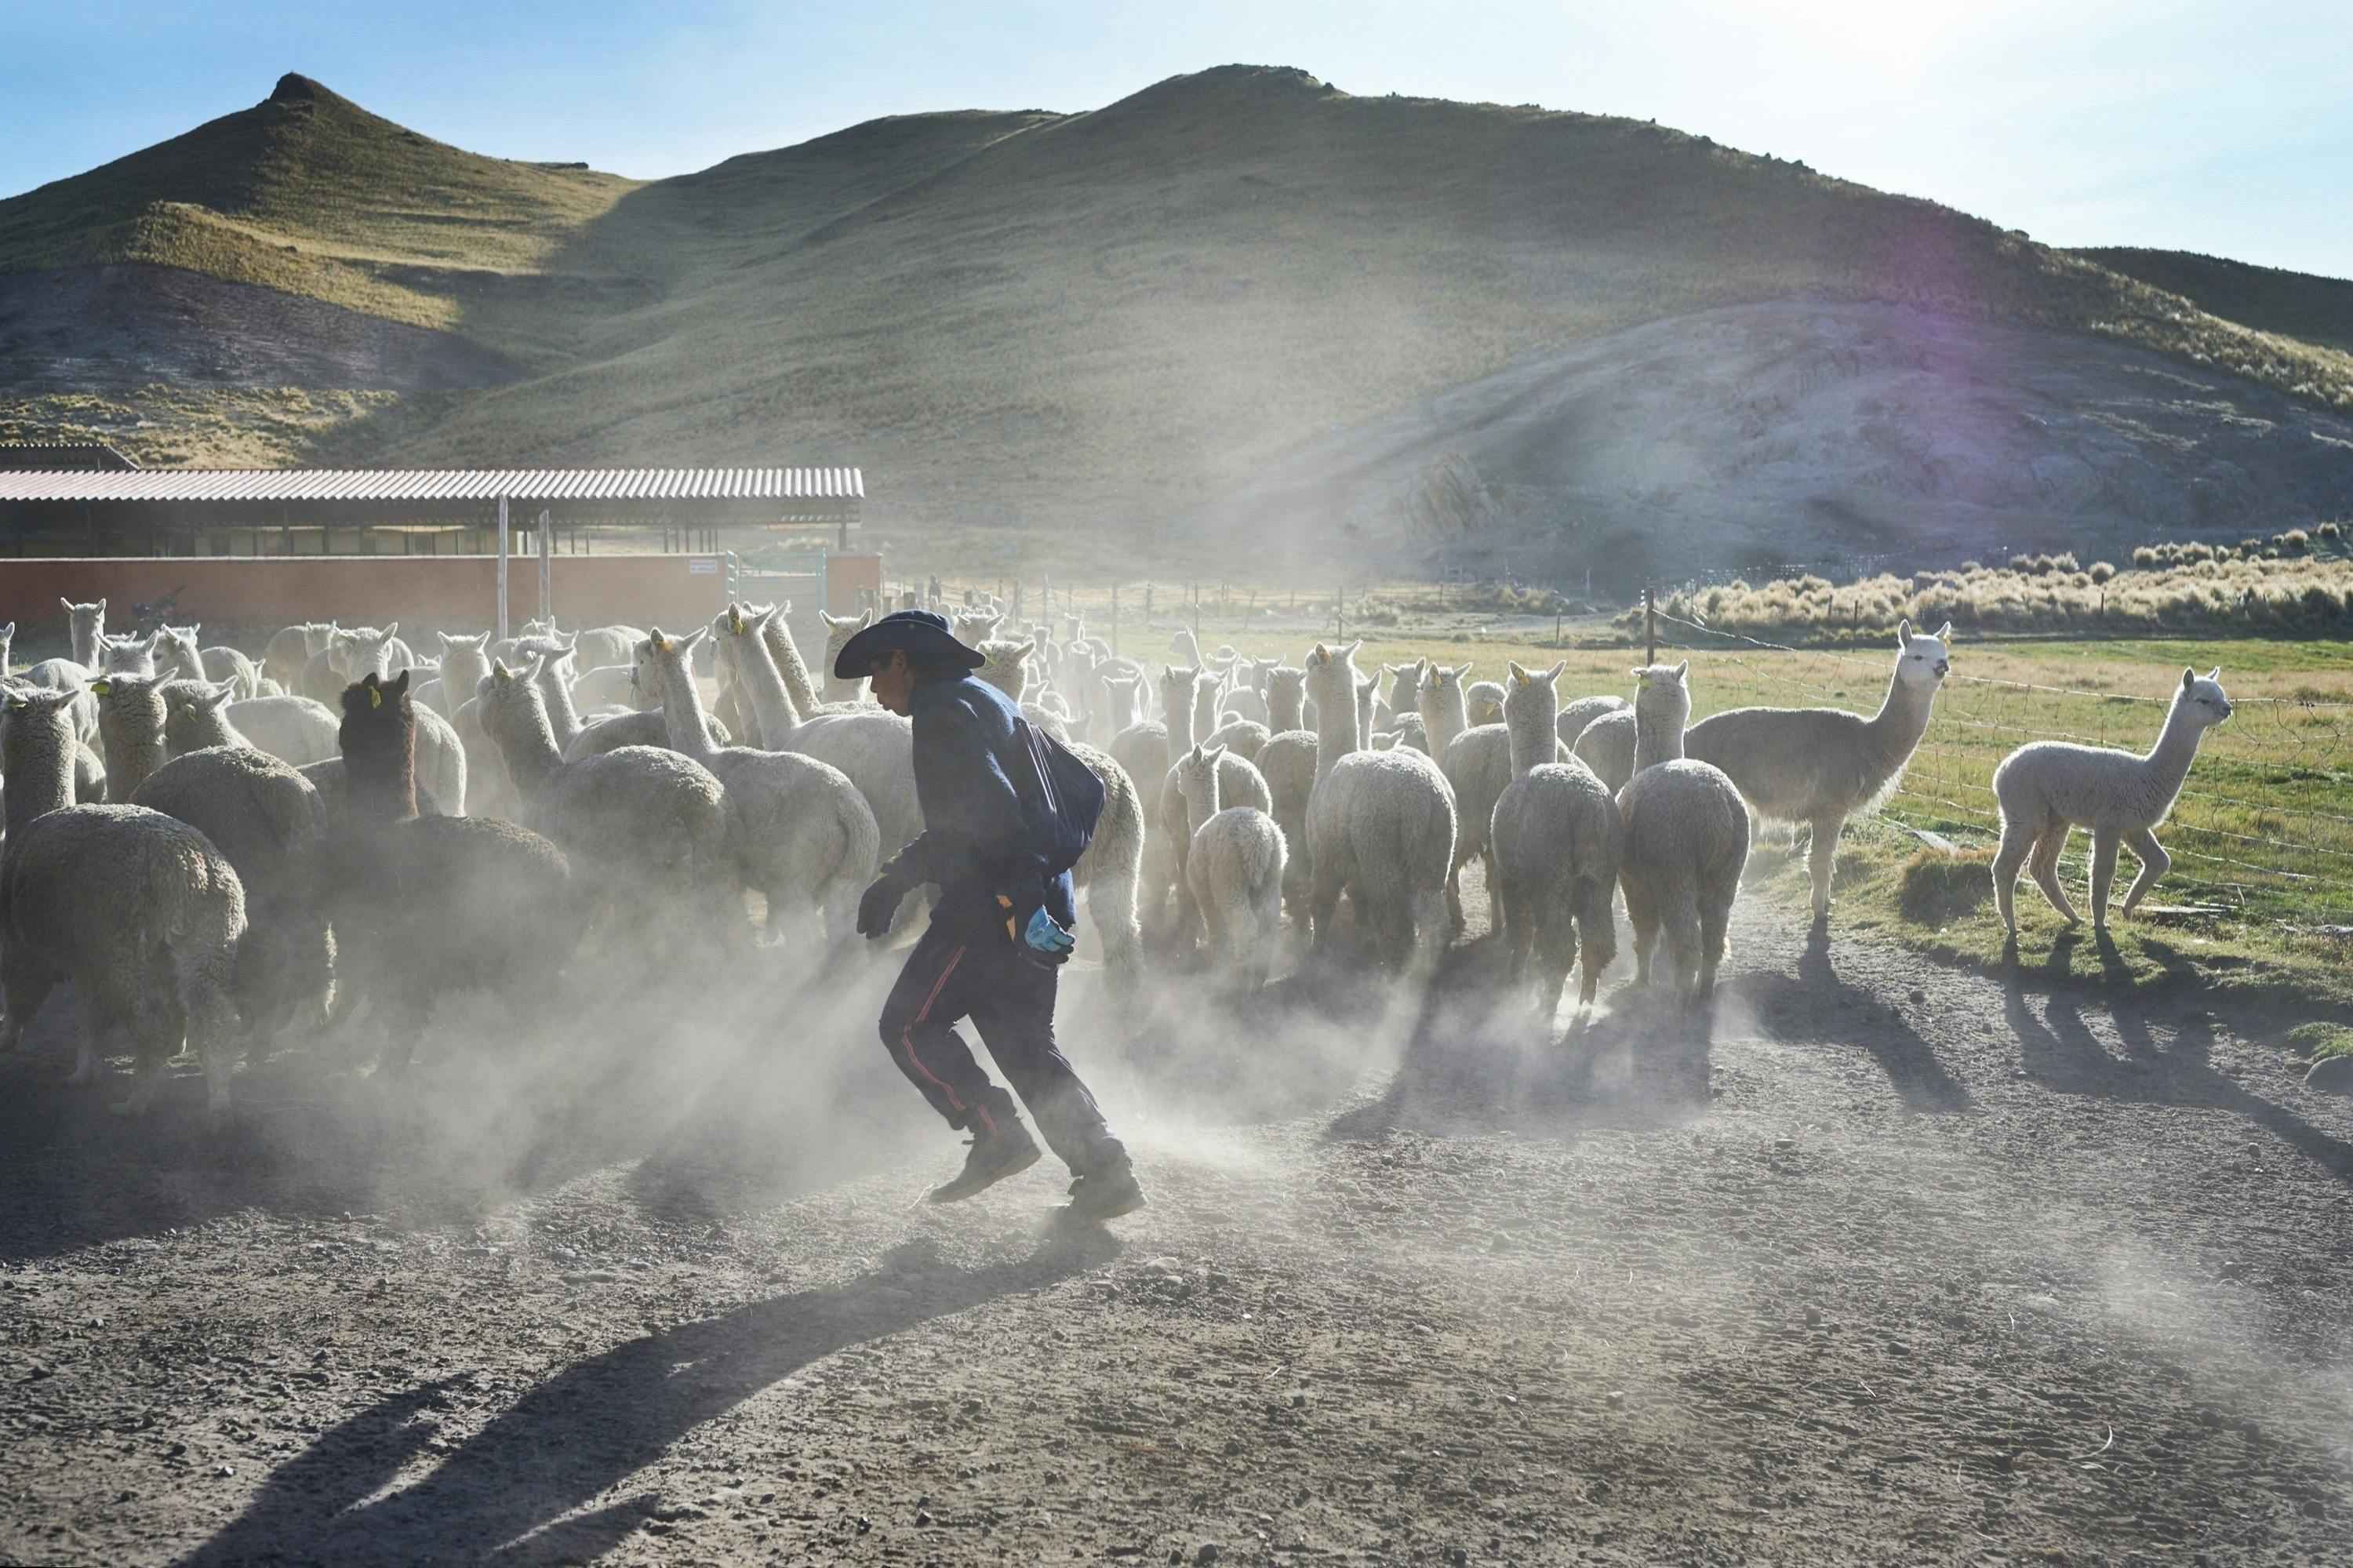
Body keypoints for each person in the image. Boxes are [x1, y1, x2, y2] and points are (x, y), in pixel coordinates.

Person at [838, 609, 1146, 1222]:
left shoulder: (942, 713)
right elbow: (969, 815)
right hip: (1034, 896)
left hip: (993, 906)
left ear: (903, 660)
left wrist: (1015, 899)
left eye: (877, 670)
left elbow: (992, 814)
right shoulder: (979, 696)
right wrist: (900, 875)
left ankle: (995, 1131)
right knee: (1026, 1043)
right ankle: (1107, 1171)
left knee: (906, 1025)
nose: (873, 689)